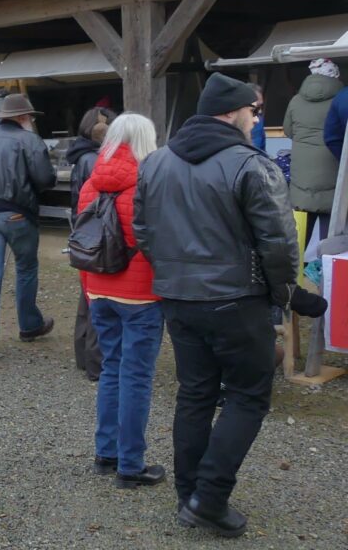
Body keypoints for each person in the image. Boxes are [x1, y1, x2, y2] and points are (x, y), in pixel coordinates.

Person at [134, 72, 297, 537]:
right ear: (231, 112)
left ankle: (190, 494)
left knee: (196, 393)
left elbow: (143, 229)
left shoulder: (156, 162)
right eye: (254, 110)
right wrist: (284, 295)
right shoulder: (250, 164)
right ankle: (207, 497)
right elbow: (278, 242)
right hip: (234, 299)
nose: (256, 119)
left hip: (179, 297)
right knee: (247, 396)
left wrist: (172, 273)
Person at [77, 113, 165, 490]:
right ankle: (131, 464)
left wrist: (89, 289)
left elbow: (82, 239)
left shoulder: (91, 183)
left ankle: (106, 452)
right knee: (136, 376)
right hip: (142, 295)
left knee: (112, 369)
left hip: (100, 290)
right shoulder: (152, 184)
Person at [0, 93, 56, 363]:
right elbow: (46, 179)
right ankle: (29, 324)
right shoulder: (30, 140)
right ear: (23, 117)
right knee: (25, 268)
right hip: (17, 212)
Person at [67, 107, 114, 382]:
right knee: (96, 296)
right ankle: (96, 362)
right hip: (95, 231)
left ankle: (84, 355)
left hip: (82, 230)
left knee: (86, 296)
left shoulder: (80, 155)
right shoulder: (94, 159)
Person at [284, 59, 341, 259]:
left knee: (298, 237)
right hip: (332, 171)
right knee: (330, 239)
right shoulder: (341, 99)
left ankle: (293, 273)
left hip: (302, 176)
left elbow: (288, 130)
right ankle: (325, 273)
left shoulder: (295, 100)